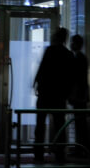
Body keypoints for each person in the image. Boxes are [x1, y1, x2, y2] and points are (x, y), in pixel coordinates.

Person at [33, 26, 71, 162]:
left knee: (40, 123)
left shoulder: (50, 50)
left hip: (46, 93)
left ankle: (38, 153)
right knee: (59, 124)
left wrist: (37, 84)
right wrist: (67, 93)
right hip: (59, 95)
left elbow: (42, 69)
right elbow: (69, 77)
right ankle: (60, 153)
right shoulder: (68, 54)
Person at [69, 33, 90, 156]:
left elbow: (78, 79)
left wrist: (75, 95)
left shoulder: (79, 58)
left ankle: (82, 148)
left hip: (79, 95)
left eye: (73, 42)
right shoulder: (81, 57)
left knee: (80, 123)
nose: (71, 44)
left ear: (78, 44)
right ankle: (83, 147)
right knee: (80, 123)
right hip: (81, 95)